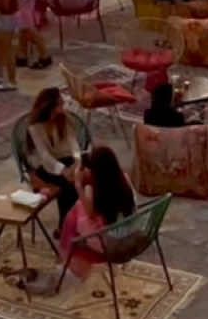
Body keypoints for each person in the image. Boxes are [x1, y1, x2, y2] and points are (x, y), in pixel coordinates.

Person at [58, 146, 135, 280]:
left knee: (73, 216)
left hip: (107, 244)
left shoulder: (93, 188)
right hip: (127, 236)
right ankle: (71, 257)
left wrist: (78, 185)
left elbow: (90, 213)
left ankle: (69, 257)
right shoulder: (124, 179)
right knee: (76, 213)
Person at [24, 87, 83, 224]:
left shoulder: (64, 120)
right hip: (44, 167)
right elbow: (44, 156)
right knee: (68, 187)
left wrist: (77, 162)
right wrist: (64, 171)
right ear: (51, 106)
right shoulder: (35, 128)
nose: (63, 105)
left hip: (64, 159)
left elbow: (74, 144)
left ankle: (70, 223)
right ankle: (66, 224)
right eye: (60, 103)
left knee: (79, 178)